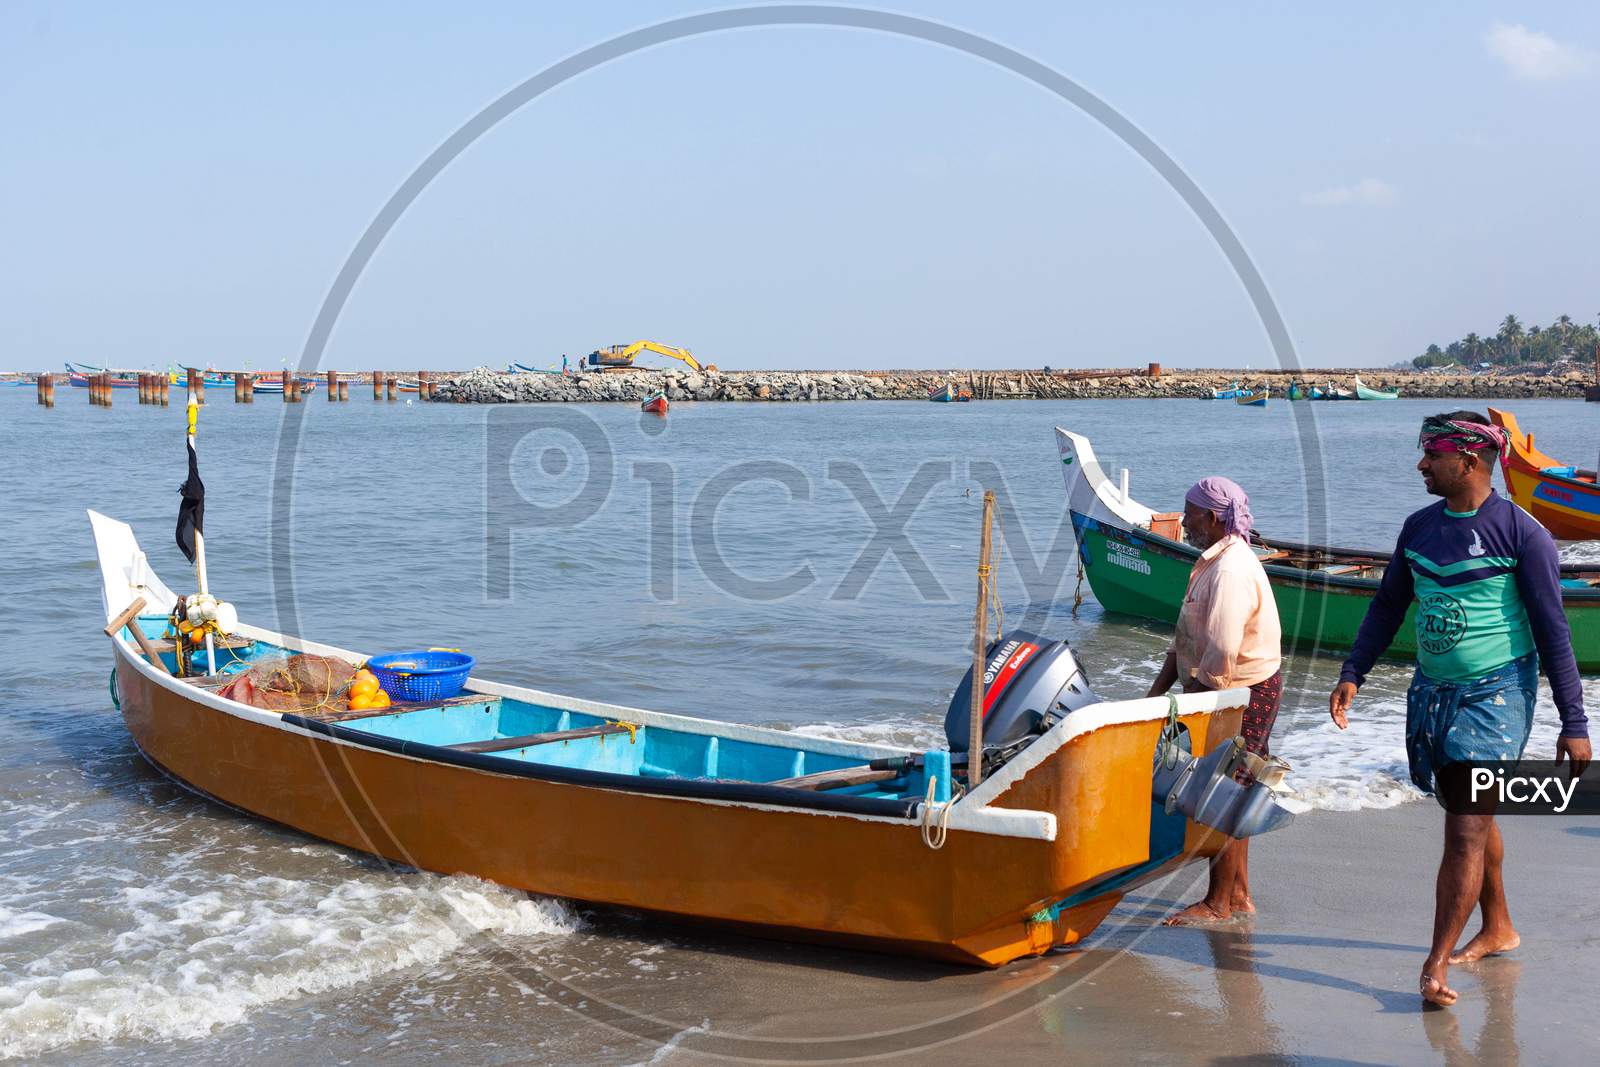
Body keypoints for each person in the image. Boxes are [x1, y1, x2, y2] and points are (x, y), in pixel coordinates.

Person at [1328, 411, 1590, 1007]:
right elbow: (1389, 605)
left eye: (1432, 455)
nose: (1421, 464)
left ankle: (1434, 964)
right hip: (1432, 690)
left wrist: (1574, 723)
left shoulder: (1524, 535)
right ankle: (1498, 926)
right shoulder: (1418, 527)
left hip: (1497, 692)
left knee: (1465, 826)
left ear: (1470, 461)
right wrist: (1353, 673)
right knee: (1470, 813)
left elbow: (1554, 635)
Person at [1148, 476, 1283, 924]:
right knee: (1236, 788)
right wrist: (1154, 697)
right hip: (1227, 688)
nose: (1183, 521)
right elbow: (1185, 638)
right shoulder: (1212, 562)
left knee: (1221, 791)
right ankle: (1239, 893)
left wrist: (1200, 704)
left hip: (1239, 691)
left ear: (1210, 517)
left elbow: (1222, 650)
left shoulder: (1230, 570)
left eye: (1189, 513)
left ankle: (1218, 903)